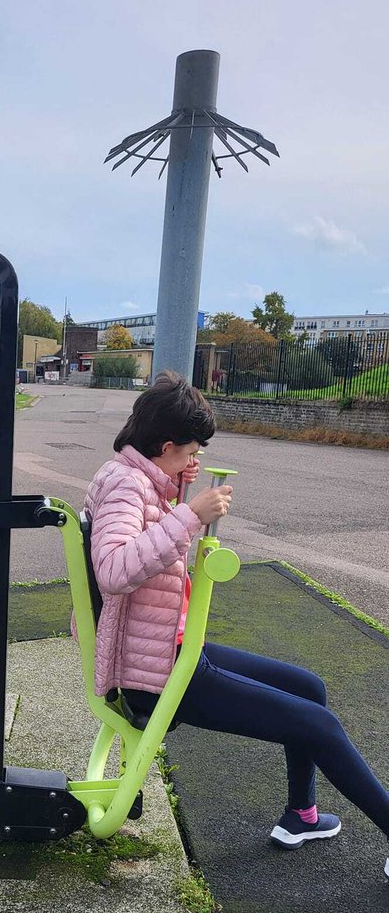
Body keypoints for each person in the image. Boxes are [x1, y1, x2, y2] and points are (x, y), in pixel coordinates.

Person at [84, 370, 389, 878]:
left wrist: (179, 499)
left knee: (308, 688)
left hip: (168, 652)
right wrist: (190, 516)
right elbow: (114, 569)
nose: (195, 462)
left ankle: (302, 816)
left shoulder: (144, 479)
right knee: (320, 725)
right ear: (165, 445)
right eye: (189, 453)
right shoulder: (125, 484)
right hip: (155, 678)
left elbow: (149, 551)